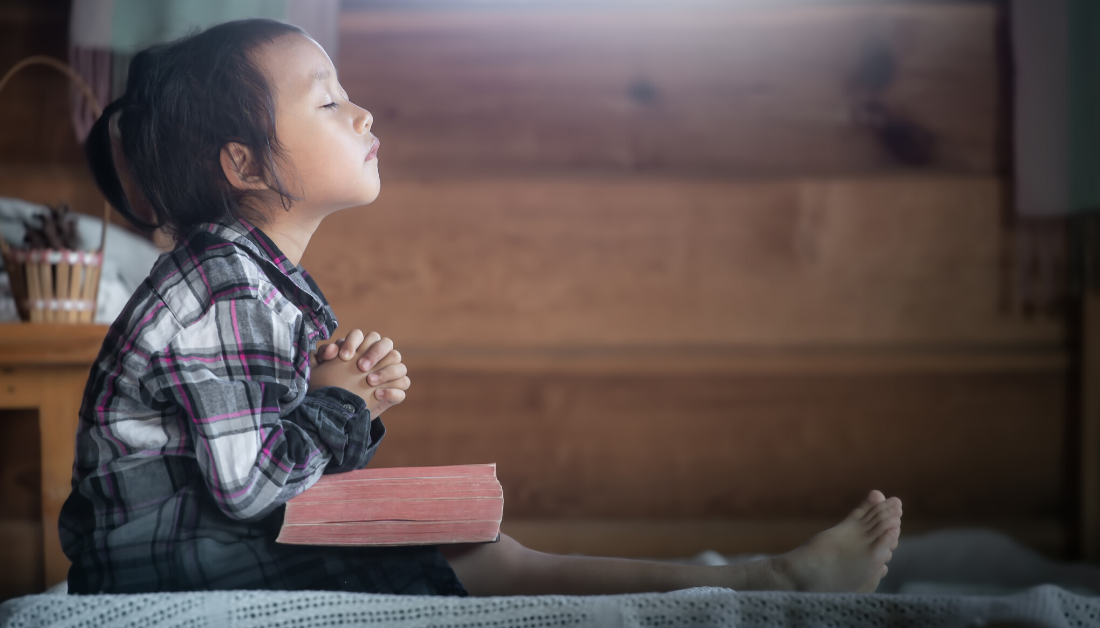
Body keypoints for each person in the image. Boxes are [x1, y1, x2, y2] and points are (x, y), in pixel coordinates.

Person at [61, 18, 902, 597]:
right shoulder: (224, 284)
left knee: (467, 534)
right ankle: (767, 582)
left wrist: (342, 402)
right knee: (480, 556)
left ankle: (763, 577)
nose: (362, 111)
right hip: (170, 562)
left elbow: (265, 467)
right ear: (244, 165)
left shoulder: (252, 277)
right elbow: (249, 492)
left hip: (204, 538)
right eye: (326, 100)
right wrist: (337, 403)